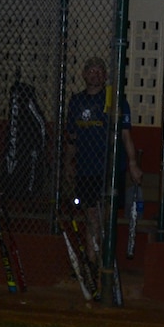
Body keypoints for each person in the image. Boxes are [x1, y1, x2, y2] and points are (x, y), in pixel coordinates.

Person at [64, 57, 143, 260]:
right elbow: (71, 138)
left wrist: (133, 164)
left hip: (110, 168)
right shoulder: (77, 101)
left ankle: (105, 259)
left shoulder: (114, 100)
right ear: (83, 74)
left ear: (106, 75)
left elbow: (126, 135)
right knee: (91, 216)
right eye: (91, 70)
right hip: (86, 168)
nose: (95, 74)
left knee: (105, 215)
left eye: (99, 70)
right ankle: (93, 260)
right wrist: (68, 164)